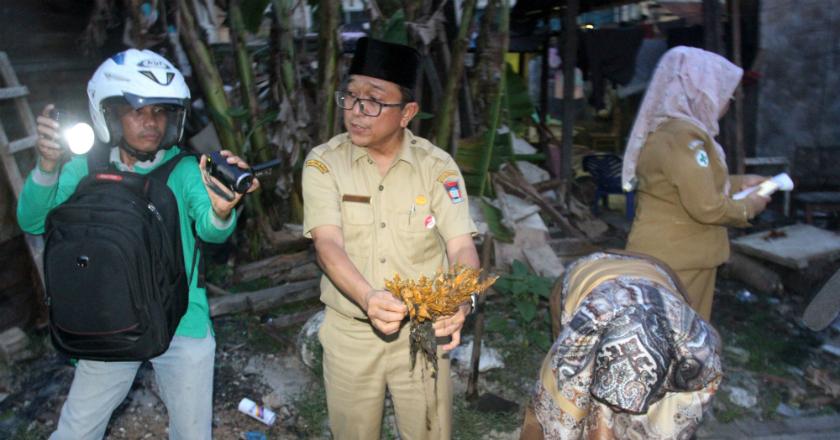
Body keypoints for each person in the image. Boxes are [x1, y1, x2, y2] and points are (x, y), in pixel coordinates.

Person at [17, 48, 258, 440]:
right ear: (109, 113)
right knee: (76, 430)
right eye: (137, 110)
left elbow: (214, 232)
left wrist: (222, 208)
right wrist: (47, 166)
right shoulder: (85, 167)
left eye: (160, 111)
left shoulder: (183, 169)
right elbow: (31, 220)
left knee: (193, 432)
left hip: (181, 318)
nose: (151, 122)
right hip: (106, 317)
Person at [301, 37, 479, 439]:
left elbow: (461, 246)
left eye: (374, 101)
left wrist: (460, 300)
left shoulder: (437, 167)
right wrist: (367, 297)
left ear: (407, 113)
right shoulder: (324, 163)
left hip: (423, 331)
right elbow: (327, 244)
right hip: (350, 335)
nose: (357, 112)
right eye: (350, 97)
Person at [622, 46, 770, 321]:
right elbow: (707, 207)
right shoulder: (682, 137)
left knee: (675, 339)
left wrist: (739, 183)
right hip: (677, 260)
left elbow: (689, 183)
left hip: (677, 255)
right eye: (724, 93)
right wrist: (749, 206)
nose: (726, 102)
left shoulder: (674, 132)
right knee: (678, 341)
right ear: (701, 90)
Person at [521, 251, 723, 439]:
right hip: (588, 272)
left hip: (657, 272)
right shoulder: (580, 338)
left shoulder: (698, 352)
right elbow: (552, 410)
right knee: (581, 407)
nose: (620, 410)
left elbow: (681, 414)